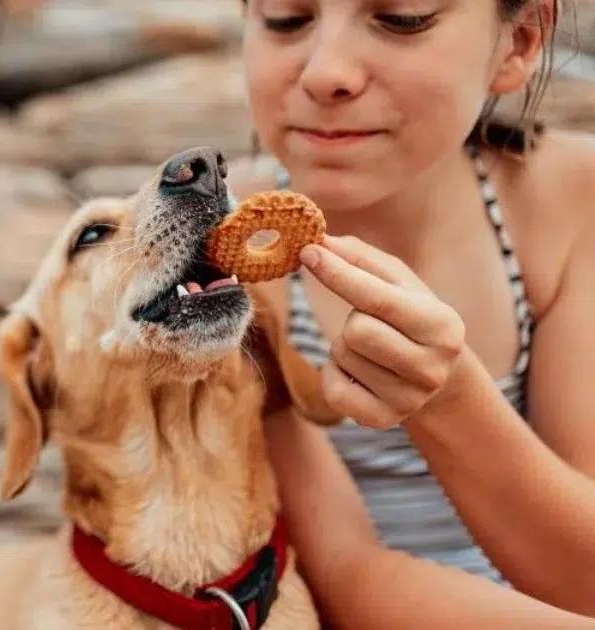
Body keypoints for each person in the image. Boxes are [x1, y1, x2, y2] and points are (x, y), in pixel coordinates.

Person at [223, 0, 595, 626]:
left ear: (520, 43)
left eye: (402, 18)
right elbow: (342, 575)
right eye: (286, 18)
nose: (324, 72)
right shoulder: (226, 267)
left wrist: (452, 400)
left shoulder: (569, 204)